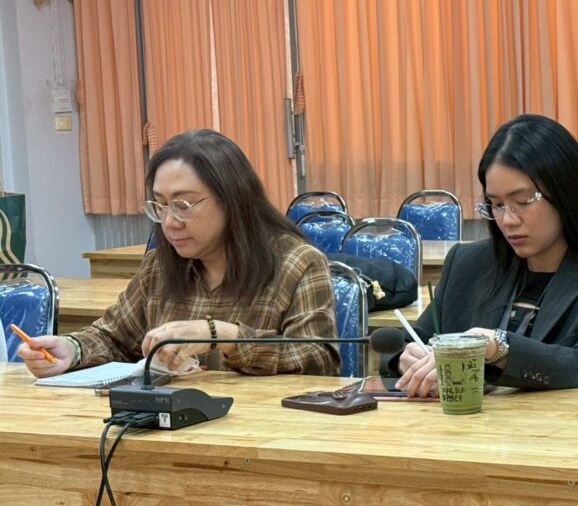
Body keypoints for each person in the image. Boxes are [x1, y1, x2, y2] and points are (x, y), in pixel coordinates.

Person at [18, 130, 339, 377]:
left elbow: (319, 361)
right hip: (169, 429)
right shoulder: (160, 266)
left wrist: (223, 336)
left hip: (263, 432)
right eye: (161, 205)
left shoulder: (297, 263)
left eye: (183, 205)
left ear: (232, 200)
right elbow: (114, 337)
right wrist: (72, 350)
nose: (170, 222)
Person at [388, 113, 578, 395]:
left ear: (566, 194)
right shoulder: (468, 264)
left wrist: (497, 348)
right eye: (496, 204)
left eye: (523, 201)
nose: (508, 220)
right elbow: (410, 340)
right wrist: (404, 357)